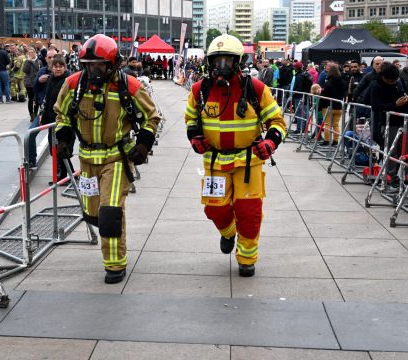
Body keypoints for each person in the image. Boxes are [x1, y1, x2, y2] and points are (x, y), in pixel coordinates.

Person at [54, 34, 160, 284]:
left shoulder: (129, 86)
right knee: (93, 214)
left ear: (112, 64)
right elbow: (62, 115)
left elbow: (152, 117)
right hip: (87, 159)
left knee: (110, 213)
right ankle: (110, 240)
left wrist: (143, 145)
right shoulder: (73, 85)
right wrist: (64, 137)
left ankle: (114, 265)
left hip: (116, 157)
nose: (94, 70)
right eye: (89, 65)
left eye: (99, 65)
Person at [184, 34, 286, 277]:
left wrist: (271, 142)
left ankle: (247, 258)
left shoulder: (256, 89)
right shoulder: (200, 90)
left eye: (227, 60)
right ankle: (228, 232)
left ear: (238, 62)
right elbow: (191, 120)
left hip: (247, 162)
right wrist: (194, 137)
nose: (222, 66)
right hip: (215, 162)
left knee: (249, 212)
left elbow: (278, 121)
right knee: (214, 209)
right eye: (217, 60)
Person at [28, 54, 72, 173]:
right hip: (48, 116)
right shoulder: (49, 77)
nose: (58, 68)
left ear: (65, 67)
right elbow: (41, 93)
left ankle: (65, 175)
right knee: (53, 147)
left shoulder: (69, 80)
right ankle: (66, 174)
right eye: (55, 66)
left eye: (60, 66)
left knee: (61, 148)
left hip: (62, 120)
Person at [370, 62, 408, 189]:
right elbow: (376, 107)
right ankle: (390, 178)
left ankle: (404, 176)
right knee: (392, 151)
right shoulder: (376, 85)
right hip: (389, 123)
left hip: (403, 120)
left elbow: (402, 94)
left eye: (395, 80)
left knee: (404, 151)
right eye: (391, 80)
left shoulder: (398, 82)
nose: (394, 82)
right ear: (385, 78)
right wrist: (394, 105)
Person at [319, 64, 344, 146]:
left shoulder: (328, 83)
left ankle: (326, 141)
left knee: (327, 124)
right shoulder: (342, 82)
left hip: (328, 106)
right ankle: (335, 141)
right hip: (339, 107)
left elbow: (324, 95)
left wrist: (320, 106)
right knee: (336, 125)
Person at [24, 46, 41, 121]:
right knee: (30, 99)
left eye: (32, 52)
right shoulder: (27, 61)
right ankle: (31, 115)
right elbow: (25, 70)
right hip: (29, 83)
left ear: (35, 53)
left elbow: (37, 68)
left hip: (37, 82)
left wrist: (31, 61)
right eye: (29, 52)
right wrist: (28, 61)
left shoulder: (38, 61)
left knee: (36, 99)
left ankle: (35, 113)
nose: (30, 54)